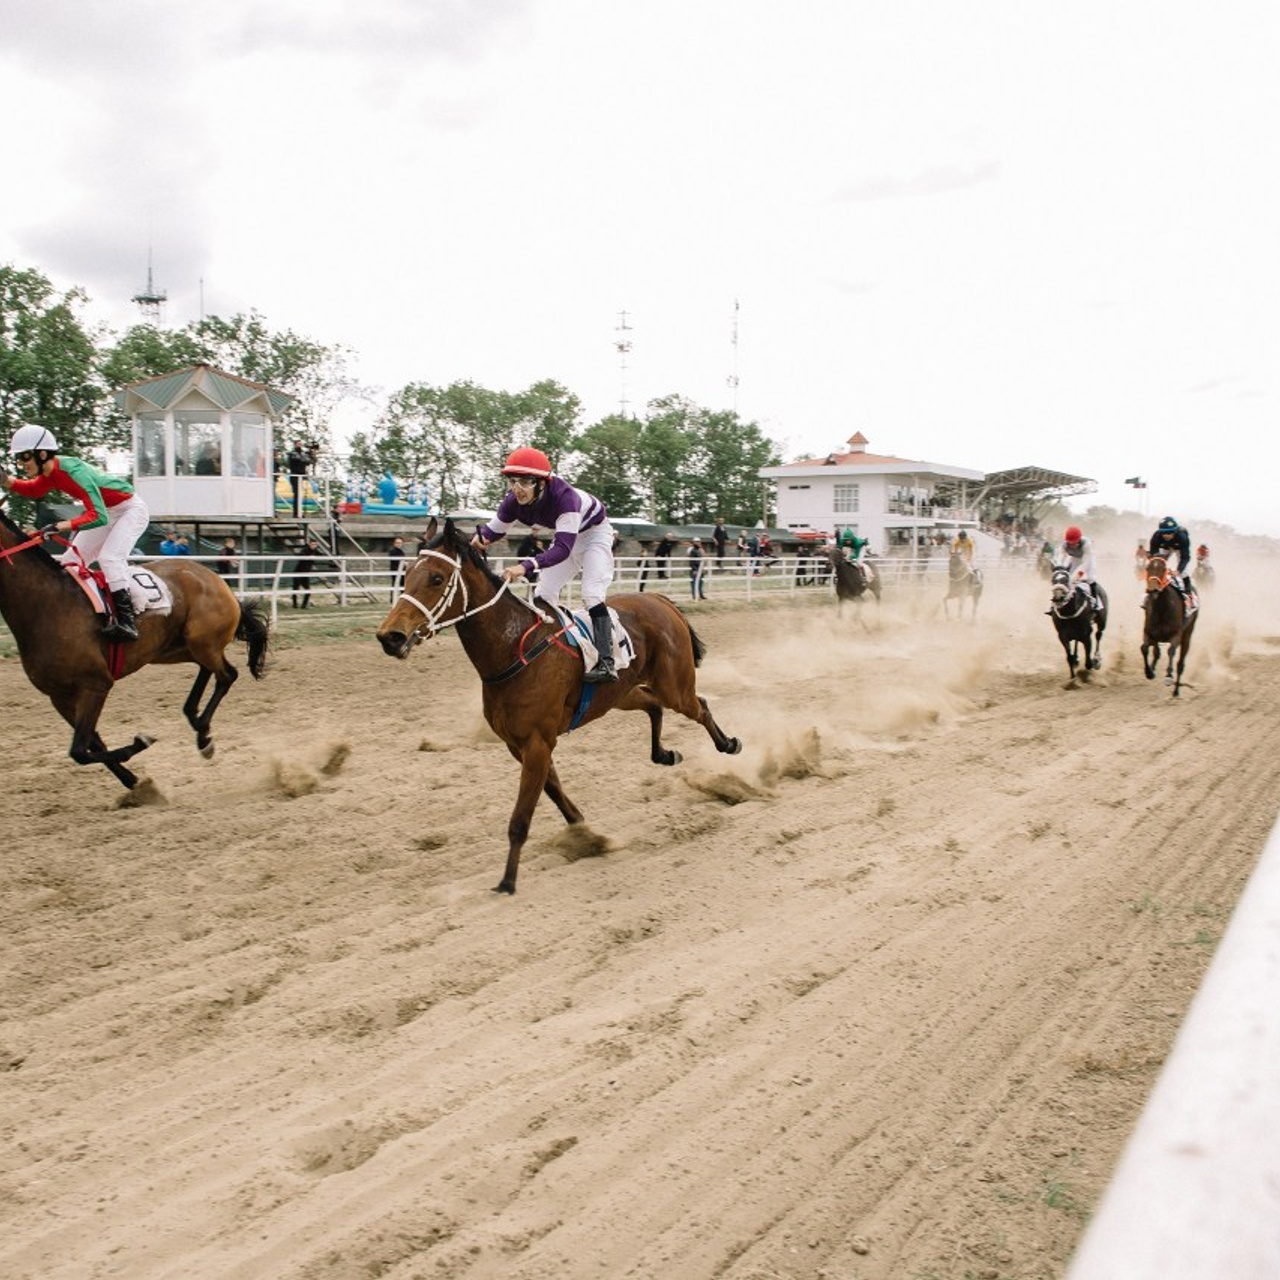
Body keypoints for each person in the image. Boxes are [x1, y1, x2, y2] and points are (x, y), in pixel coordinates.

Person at [470, 446, 618, 683]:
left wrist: (525, 566)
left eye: (526, 482)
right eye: (513, 481)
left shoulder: (564, 498)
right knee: (544, 593)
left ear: (542, 483)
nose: (518, 489)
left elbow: (562, 549)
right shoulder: (512, 501)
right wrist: (481, 539)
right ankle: (543, 650)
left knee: (591, 593)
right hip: (569, 535)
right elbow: (493, 530)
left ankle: (607, 661)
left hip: (595, 534)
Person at [1, 424, 150, 640]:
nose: (20, 464)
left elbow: (98, 516)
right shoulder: (50, 472)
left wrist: (61, 525)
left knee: (109, 558)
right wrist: (6, 481)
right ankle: (80, 616)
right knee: (70, 562)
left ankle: (127, 624)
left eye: (24, 457)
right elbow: (34, 489)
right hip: (108, 511)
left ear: (42, 454)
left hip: (130, 510)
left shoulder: (73, 471)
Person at [1053, 525, 1102, 604]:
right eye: (1070, 543)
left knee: (1090, 578)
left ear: (1079, 540)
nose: (1072, 545)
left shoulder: (1086, 544)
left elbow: (1085, 564)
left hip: (1088, 560)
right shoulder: (1064, 545)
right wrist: (1059, 568)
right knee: (1066, 578)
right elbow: (1060, 558)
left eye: (1074, 543)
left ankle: (1095, 602)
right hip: (1075, 558)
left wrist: (1077, 576)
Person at [1148, 516, 1194, 597]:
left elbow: (1185, 557)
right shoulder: (1156, 536)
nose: (1166, 535)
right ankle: (1152, 588)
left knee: (1183, 572)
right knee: (1157, 565)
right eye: (1164, 533)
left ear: (1175, 531)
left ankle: (1188, 592)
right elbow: (1154, 554)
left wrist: (1178, 570)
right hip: (1165, 548)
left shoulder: (1183, 537)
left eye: (1170, 532)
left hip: (1179, 549)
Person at [292, 538, 322, 609]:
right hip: (298, 571)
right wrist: (309, 557)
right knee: (295, 589)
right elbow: (301, 555)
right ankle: (295, 604)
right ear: (309, 544)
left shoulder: (315, 551)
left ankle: (304, 605)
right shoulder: (305, 549)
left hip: (306, 573)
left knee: (308, 590)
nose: (314, 546)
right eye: (312, 544)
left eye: (315, 545)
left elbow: (321, 555)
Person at [286, 440, 311, 517]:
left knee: (300, 494)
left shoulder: (302, 453)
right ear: (295, 445)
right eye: (298, 444)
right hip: (295, 476)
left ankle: (299, 512)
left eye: (301, 444)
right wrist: (305, 456)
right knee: (296, 494)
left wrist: (311, 454)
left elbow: (308, 462)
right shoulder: (292, 453)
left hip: (301, 476)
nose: (300, 445)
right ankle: (296, 513)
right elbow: (298, 460)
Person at [387, 535, 406, 600]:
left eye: (400, 543)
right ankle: (392, 599)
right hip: (395, 571)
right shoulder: (392, 551)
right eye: (397, 543)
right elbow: (395, 561)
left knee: (402, 585)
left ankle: (403, 598)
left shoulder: (401, 551)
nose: (398, 544)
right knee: (395, 585)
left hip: (402, 571)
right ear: (394, 543)